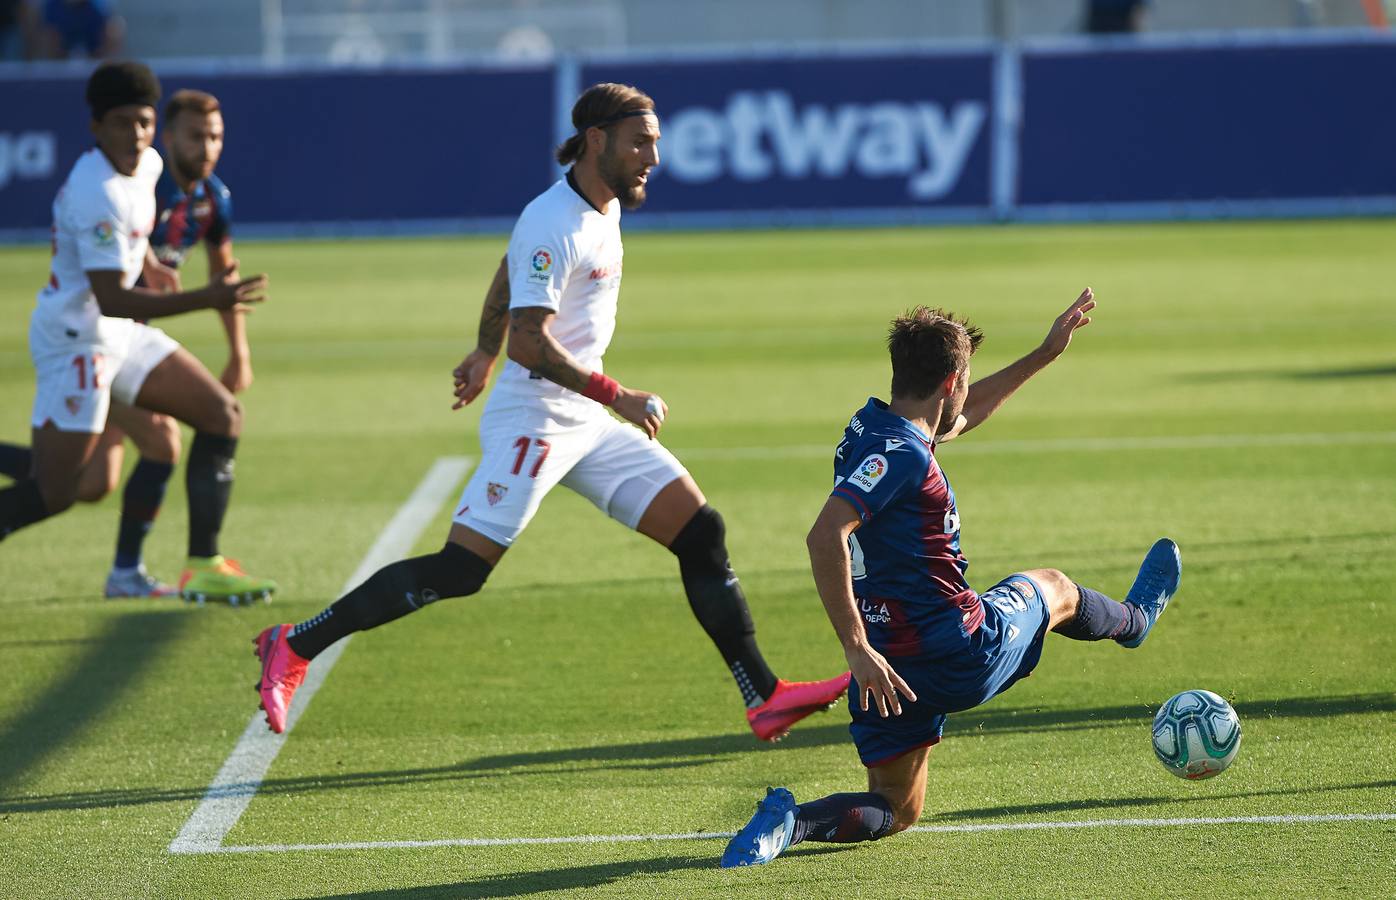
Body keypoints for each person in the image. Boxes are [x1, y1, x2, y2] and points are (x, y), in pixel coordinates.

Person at [250, 82, 850, 741]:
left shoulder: (597, 204)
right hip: (534, 419)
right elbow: (532, 342)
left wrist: (483, 349)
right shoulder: (555, 221)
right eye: (640, 142)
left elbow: (513, 274)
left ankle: (763, 695)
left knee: (699, 531)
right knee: (462, 570)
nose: (654, 155)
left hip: (581, 419)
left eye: (656, 141)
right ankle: (296, 643)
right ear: (597, 142)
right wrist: (614, 393)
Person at [720, 292, 1183, 867]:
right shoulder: (907, 457)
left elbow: (962, 417)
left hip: (892, 669)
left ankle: (793, 822)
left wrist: (1043, 354)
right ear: (950, 381)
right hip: (958, 648)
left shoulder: (871, 428)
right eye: (964, 382)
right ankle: (1134, 622)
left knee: (896, 806)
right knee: (1054, 586)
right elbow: (824, 535)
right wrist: (853, 647)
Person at [0, 61, 278, 607]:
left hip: (119, 334)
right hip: (78, 340)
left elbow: (134, 240)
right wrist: (206, 297)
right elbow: (111, 298)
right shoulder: (93, 192)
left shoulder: (147, 164)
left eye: (145, 122)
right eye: (123, 123)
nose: (137, 135)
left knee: (222, 415)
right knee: (58, 493)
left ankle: (203, 565)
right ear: (96, 127)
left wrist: (147, 259)